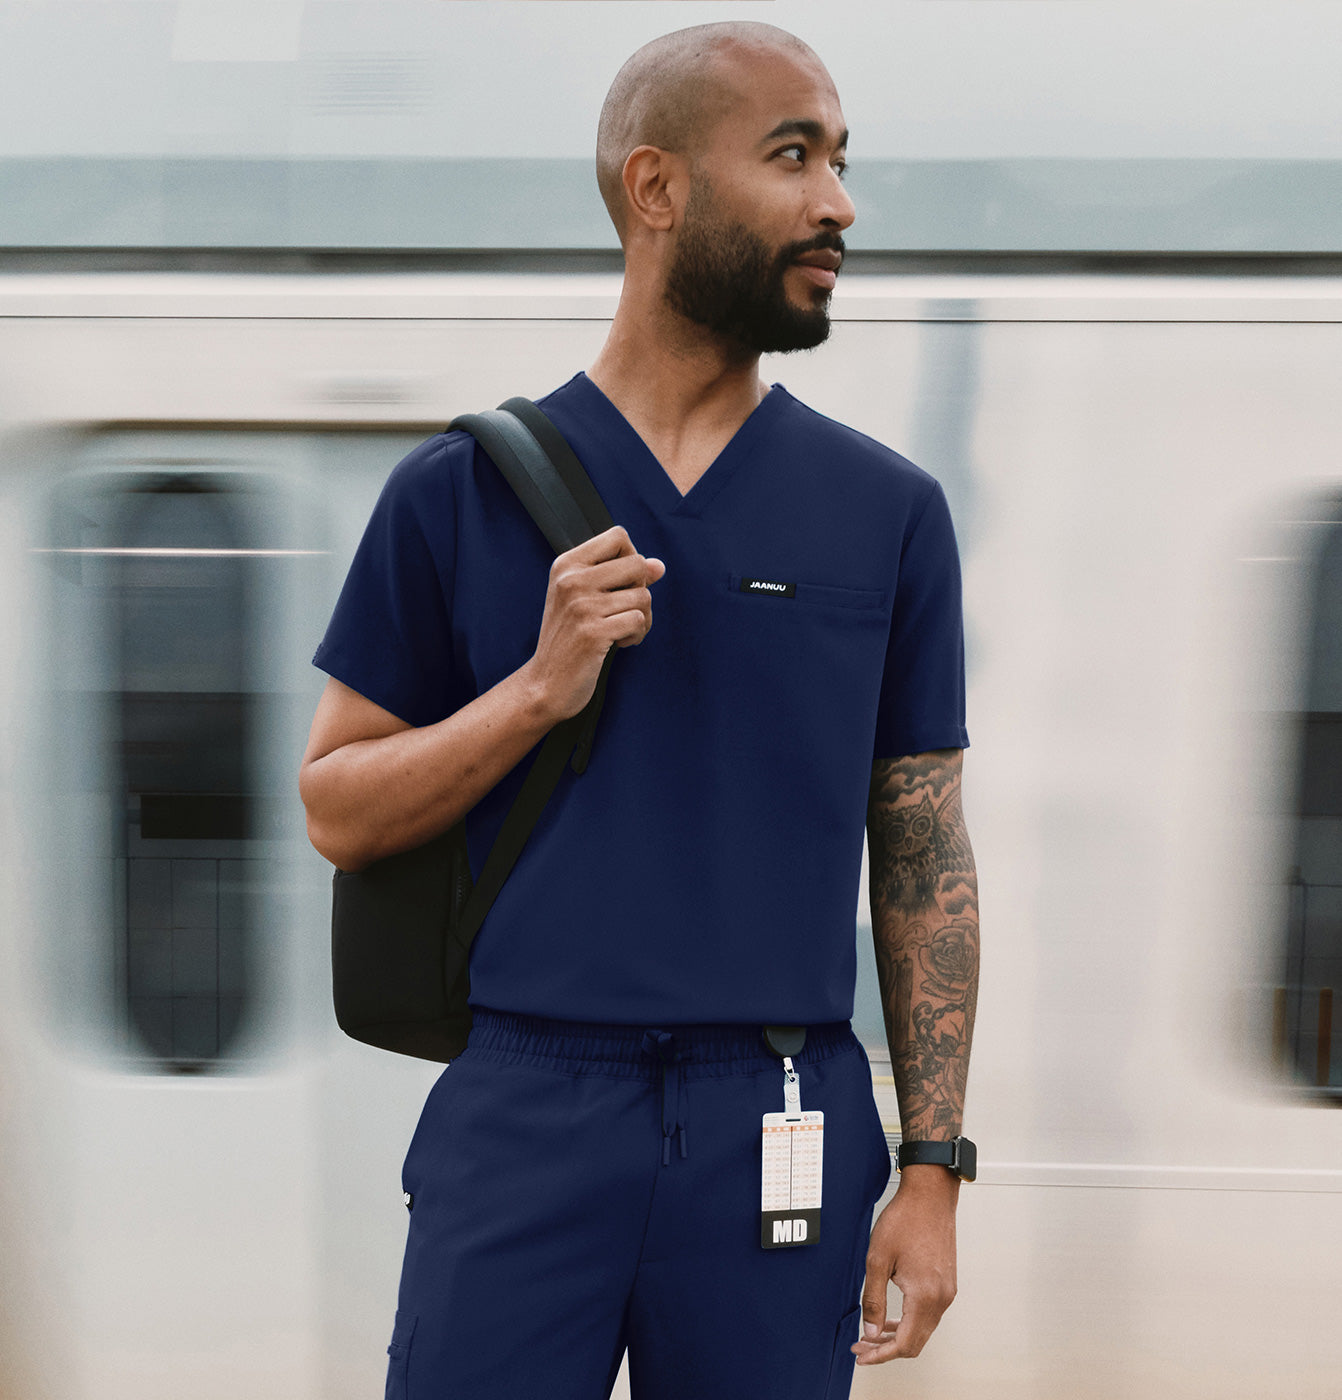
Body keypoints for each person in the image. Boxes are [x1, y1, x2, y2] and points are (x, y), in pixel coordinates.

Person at [299, 19, 979, 1400]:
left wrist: (932, 1170)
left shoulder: (887, 514)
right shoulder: (453, 496)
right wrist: (536, 693)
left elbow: (922, 854)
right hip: (526, 1105)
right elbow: (336, 809)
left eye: (841, 162)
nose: (838, 203)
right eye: (792, 156)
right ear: (656, 188)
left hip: (780, 1115)